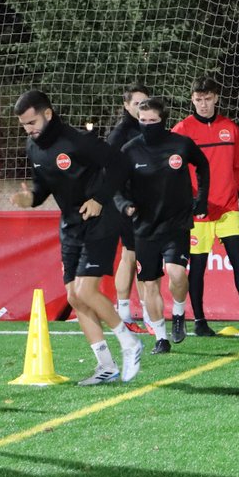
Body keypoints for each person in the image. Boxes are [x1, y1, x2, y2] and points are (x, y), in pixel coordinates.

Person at [9, 89, 143, 385]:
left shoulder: (78, 140)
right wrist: (29, 198)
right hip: (70, 224)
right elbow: (42, 187)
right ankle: (106, 366)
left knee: (86, 290)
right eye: (24, 125)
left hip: (100, 219)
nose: (28, 130)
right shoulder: (33, 147)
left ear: (47, 114)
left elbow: (120, 165)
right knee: (73, 296)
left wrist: (99, 199)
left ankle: (130, 342)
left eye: (32, 122)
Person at [115, 97, 210, 353]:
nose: (147, 125)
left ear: (163, 120)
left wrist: (201, 199)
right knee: (150, 284)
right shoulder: (130, 150)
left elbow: (203, 165)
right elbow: (115, 185)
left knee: (177, 274)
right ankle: (160, 337)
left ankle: (178, 312)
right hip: (144, 227)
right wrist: (124, 205)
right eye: (143, 121)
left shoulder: (181, 144)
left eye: (153, 121)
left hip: (176, 223)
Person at [171, 75, 239, 336]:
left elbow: (237, 167)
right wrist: (186, 200)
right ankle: (200, 321)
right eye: (198, 99)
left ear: (216, 98)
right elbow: (174, 170)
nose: (203, 104)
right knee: (198, 266)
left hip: (228, 207)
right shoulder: (182, 130)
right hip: (198, 212)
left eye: (208, 99)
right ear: (192, 100)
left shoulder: (230, 128)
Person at [105, 82, 152, 333]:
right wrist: (123, 201)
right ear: (126, 105)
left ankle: (132, 314)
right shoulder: (121, 134)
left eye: (144, 102)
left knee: (134, 255)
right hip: (127, 204)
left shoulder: (148, 127)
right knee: (133, 254)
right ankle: (132, 313)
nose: (141, 107)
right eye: (136, 103)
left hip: (146, 202)